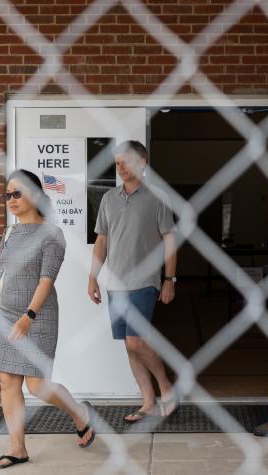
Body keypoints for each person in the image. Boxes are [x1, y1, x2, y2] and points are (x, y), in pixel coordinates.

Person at [0, 169, 95, 470]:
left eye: (17, 193)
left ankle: (79, 413)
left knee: (37, 385)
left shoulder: (51, 234)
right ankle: (17, 448)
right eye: (7, 195)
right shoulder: (10, 232)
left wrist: (29, 316)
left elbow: (46, 280)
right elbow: (0, 274)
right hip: (6, 316)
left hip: (38, 317)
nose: (11, 200)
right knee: (7, 380)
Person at [88, 141, 179, 423]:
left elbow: (170, 240)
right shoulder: (108, 199)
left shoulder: (158, 196)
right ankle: (148, 403)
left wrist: (169, 279)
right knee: (129, 345)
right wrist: (93, 276)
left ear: (143, 162)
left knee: (135, 340)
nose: (121, 167)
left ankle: (166, 387)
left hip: (145, 280)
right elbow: (101, 240)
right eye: (117, 163)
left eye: (126, 161)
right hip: (116, 283)